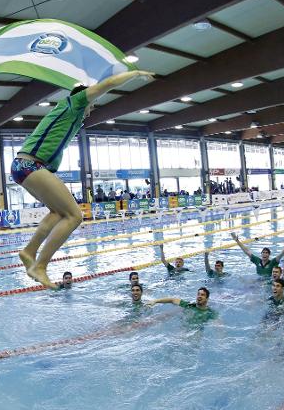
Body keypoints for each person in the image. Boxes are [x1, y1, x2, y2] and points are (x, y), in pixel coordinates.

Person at [13, 69, 154, 288]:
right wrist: (135, 73)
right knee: (74, 216)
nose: (91, 109)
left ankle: (29, 251)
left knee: (57, 213)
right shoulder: (74, 102)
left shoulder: (70, 117)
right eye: (91, 104)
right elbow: (106, 85)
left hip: (24, 166)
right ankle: (40, 265)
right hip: (30, 165)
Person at [148, 287, 216, 323]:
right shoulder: (189, 305)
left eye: (202, 295)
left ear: (207, 299)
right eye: (198, 294)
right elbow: (172, 300)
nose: (199, 296)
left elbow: (219, 326)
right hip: (183, 330)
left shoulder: (210, 312)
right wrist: (155, 301)